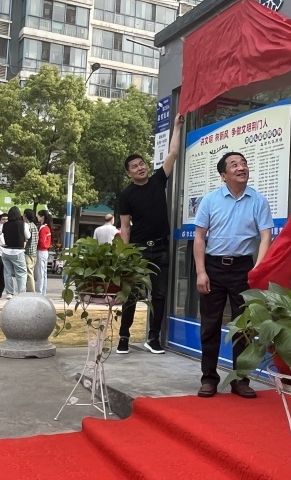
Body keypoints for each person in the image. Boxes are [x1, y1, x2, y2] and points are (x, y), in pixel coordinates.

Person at [193, 151, 273, 398]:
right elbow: (199, 237)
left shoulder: (258, 200)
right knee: (210, 325)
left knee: (244, 326)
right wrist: (201, 272)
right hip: (214, 267)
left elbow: (266, 237)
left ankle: (241, 379)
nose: (241, 167)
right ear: (223, 175)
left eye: (244, 163)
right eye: (234, 164)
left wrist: (257, 269)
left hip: (243, 269)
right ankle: (209, 378)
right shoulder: (210, 200)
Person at [117, 114, 184, 355]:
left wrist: (176, 126)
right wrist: (126, 255)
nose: (140, 167)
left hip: (161, 248)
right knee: (132, 295)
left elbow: (173, 153)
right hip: (138, 250)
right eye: (134, 166)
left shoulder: (158, 180)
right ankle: (124, 336)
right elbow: (125, 227)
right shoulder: (126, 195)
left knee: (160, 294)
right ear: (129, 173)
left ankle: (153, 338)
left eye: (142, 163)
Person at [0, 205, 28, 297]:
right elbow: (28, 236)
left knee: (7, 272)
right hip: (18, 251)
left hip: (6, 251)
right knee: (21, 273)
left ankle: (9, 293)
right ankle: (21, 293)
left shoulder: (5, 224)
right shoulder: (23, 224)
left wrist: (1, 243)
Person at [36, 210, 52, 294]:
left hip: (41, 251)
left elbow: (41, 241)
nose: (37, 217)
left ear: (42, 217)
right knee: (43, 273)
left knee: (40, 272)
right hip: (45, 251)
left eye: (38, 216)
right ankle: (43, 292)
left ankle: (39, 291)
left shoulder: (43, 228)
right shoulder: (47, 228)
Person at [23, 209, 38, 292]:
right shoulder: (34, 226)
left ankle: (31, 291)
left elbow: (26, 239)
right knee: (31, 272)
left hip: (28, 252)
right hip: (34, 253)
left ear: (25, 215)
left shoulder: (27, 225)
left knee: (29, 273)